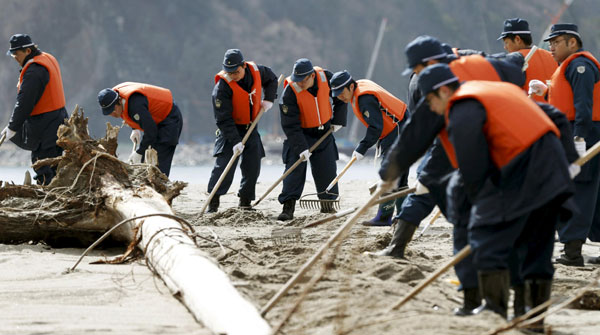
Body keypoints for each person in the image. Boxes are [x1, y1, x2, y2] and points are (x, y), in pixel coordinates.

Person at [374, 35, 527, 317]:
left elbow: (417, 132)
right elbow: (517, 69)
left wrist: (391, 172)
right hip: (507, 148)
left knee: (464, 220)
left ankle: (475, 300)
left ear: (430, 63)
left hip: (468, 151)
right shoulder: (480, 62)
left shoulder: (438, 85)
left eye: (418, 69)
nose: (418, 75)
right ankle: (511, 302)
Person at [417, 63, 574, 325]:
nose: (431, 109)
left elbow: (472, 165)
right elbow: (554, 115)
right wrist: (571, 162)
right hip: (551, 173)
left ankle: (494, 311)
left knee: (485, 236)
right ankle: (533, 319)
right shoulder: (497, 93)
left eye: (430, 101)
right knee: (535, 245)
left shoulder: (462, 106)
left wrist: (479, 202)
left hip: (524, 170)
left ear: (444, 92)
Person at [530, 23, 600, 266]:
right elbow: (566, 96)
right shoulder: (567, 67)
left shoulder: (581, 65)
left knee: (579, 189)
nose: (550, 47)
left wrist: (579, 138)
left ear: (572, 42)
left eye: (556, 42)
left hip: (584, 132)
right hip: (575, 131)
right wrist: (545, 88)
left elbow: (583, 105)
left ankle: (572, 252)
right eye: (549, 42)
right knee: (594, 193)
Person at [330, 70, 409, 226]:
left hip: (398, 129)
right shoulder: (359, 88)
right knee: (399, 175)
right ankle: (403, 218)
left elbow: (376, 127)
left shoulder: (364, 98)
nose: (340, 97)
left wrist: (361, 148)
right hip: (399, 127)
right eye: (336, 94)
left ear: (351, 86)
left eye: (341, 93)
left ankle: (385, 217)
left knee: (390, 173)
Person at [207, 49, 278, 213]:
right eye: (229, 72)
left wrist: (269, 99)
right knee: (224, 166)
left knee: (253, 165)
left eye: (236, 72)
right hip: (229, 129)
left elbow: (272, 79)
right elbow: (222, 119)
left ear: (244, 66)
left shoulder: (258, 72)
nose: (233, 75)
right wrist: (235, 141)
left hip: (250, 126)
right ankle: (213, 202)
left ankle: (245, 202)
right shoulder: (221, 88)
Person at [277, 58, 347, 221]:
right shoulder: (290, 91)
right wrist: (301, 147)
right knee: (293, 171)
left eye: (302, 80)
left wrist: (338, 120)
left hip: (324, 132)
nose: (299, 83)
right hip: (300, 134)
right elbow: (289, 124)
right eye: (297, 80)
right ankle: (288, 207)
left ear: (312, 76)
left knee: (327, 170)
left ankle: (328, 205)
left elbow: (341, 95)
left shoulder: (326, 78)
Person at [1, 34, 68, 185]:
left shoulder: (34, 72)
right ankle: (55, 192)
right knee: (54, 162)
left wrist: (12, 127)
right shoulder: (47, 58)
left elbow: (24, 103)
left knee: (42, 163)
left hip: (46, 124)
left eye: (16, 53)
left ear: (28, 51)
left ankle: (47, 198)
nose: (14, 57)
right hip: (59, 118)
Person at [97, 82, 183, 177]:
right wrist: (135, 129)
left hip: (170, 118)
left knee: (159, 159)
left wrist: (139, 152)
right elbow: (130, 114)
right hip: (156, 121)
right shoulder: (113, 96)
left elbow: (151, 131)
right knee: (146, 157)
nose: (112, 114)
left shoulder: (135, 105)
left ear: (119, 101)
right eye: (108, 112)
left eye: (113, 110)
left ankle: (160, 186)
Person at [498, 17, 557, 102]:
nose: (505, 47)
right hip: (554, 112)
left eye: (506, 42)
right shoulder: (552, 57)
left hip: (531, 112)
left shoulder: (515, 61)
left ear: (517, 39)